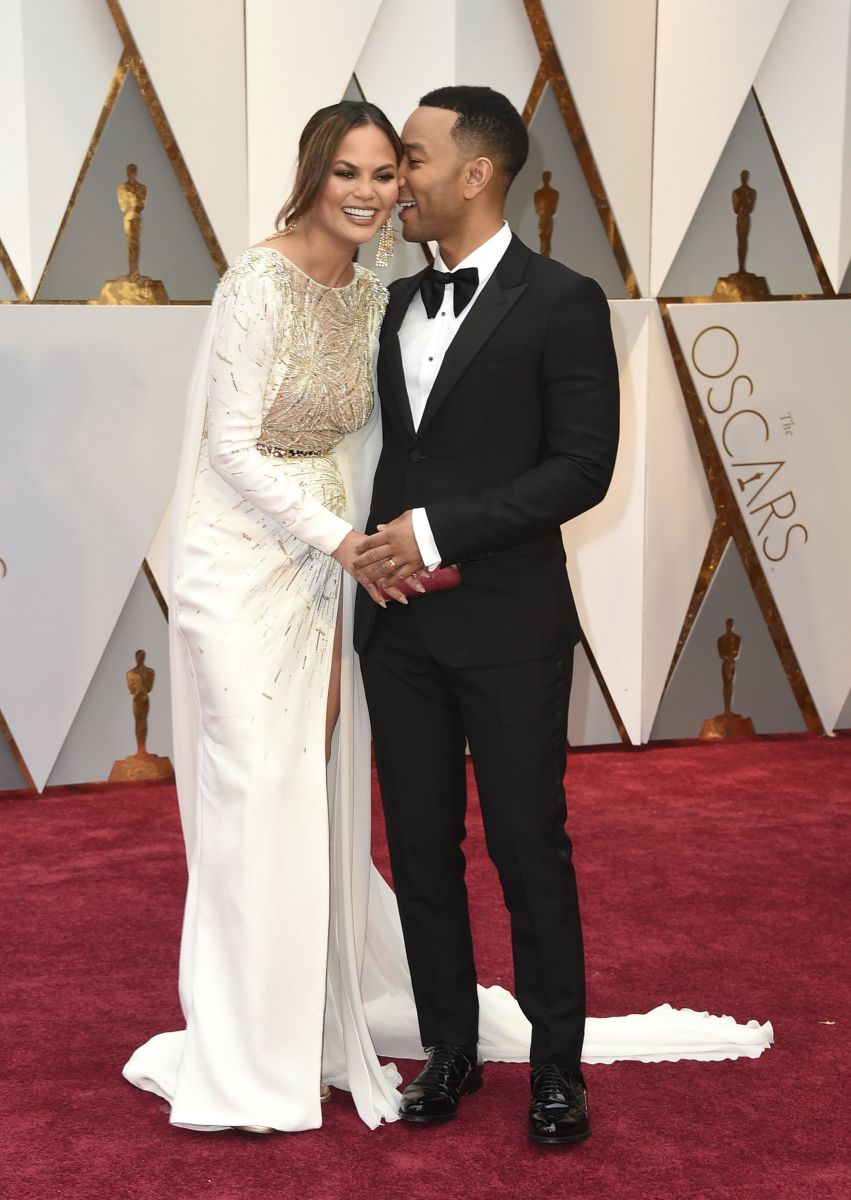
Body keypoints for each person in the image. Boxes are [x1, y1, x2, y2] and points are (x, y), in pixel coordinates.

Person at [122, 101, 405, 1133]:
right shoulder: (256, 281)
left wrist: (353, 565)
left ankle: (302, 1033)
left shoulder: (371, 295)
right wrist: (342, 547)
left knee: (305, 792)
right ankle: (242, 1060)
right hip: (236, 569)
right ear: (313, 175)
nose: (367, 193)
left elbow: (357, 449)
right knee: (250, 800)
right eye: (348, 173)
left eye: (382, 175)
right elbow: (232, 450)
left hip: (324, 575)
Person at [352, 85, 618, 1147]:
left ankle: (556, 1069)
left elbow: (580, 471)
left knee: (525, 844)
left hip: (509, 626)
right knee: (419, 848)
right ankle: (448, 1049)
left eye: (410, 158)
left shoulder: (563, 299)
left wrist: (434, 531)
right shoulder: (386, 301)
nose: (393, 180)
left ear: (475, 172)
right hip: (399, 633)